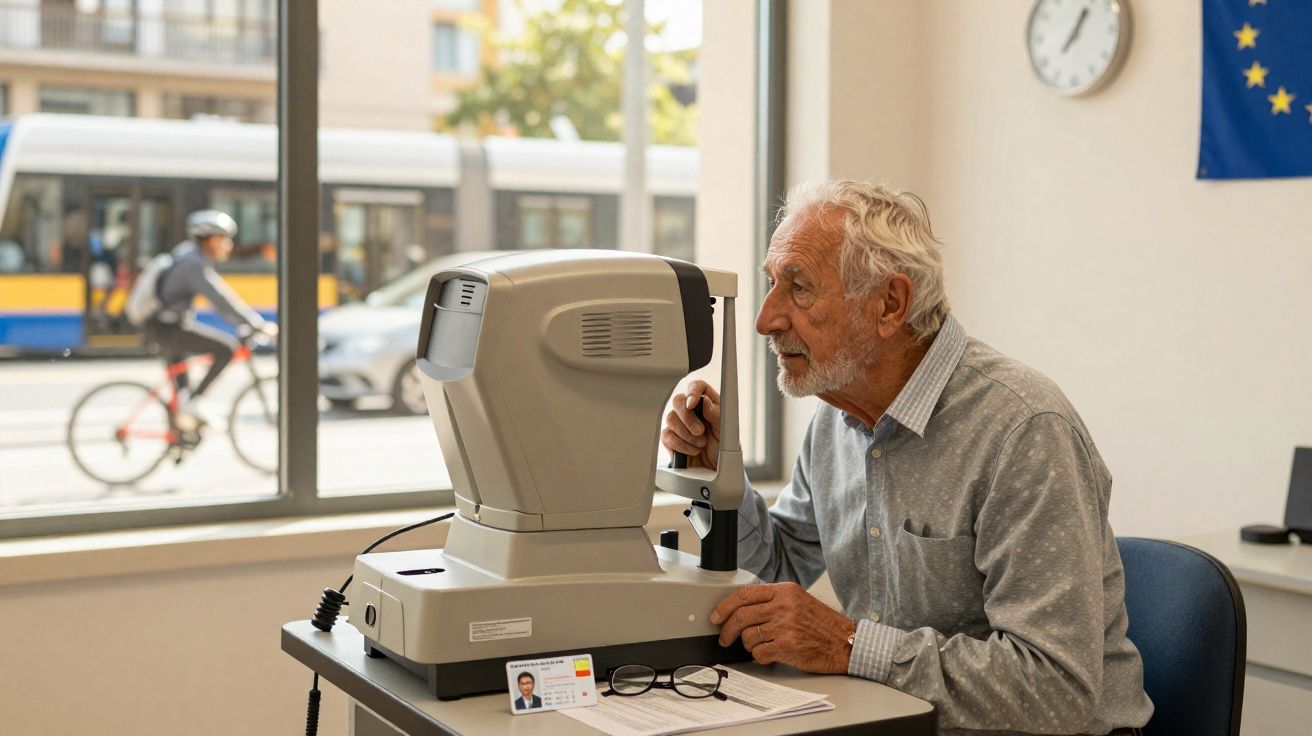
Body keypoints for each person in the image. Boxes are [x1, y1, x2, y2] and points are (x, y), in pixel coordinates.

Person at [661, 180, 1152, 736]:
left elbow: (1057, 688)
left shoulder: (1023, 429)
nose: (766, 319)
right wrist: (717, 475)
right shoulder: (835, 417)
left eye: (798, 288)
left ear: (890, 305)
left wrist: (849, 644)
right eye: (772, 284)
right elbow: (777, 572)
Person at [145, 210, 277, 430]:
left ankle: (181, 431)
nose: (229, 246)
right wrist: (256, 324)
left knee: (183, 393)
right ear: (211, 240)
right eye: (225, 239)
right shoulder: (193, 264)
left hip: (164, 325)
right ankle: (194, 404)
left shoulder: (187, 256)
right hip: (168, 327)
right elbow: (221, 299)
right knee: (227, 348)